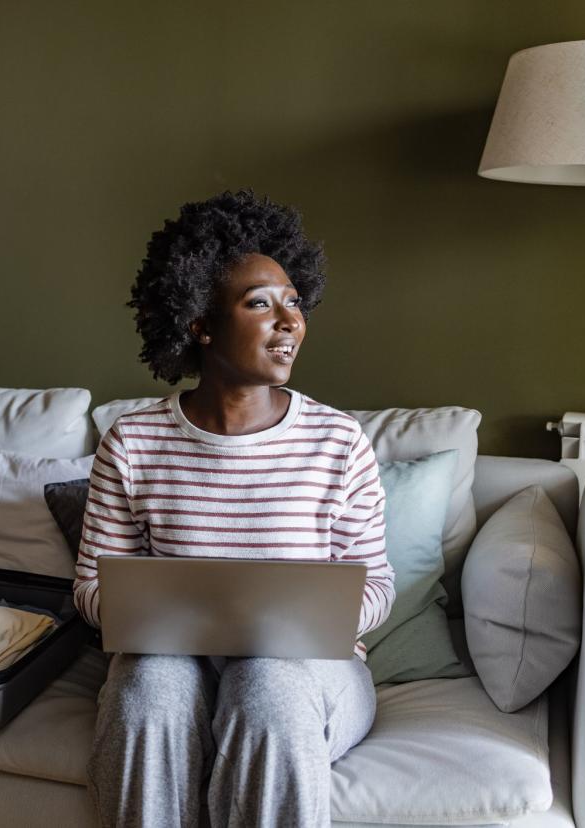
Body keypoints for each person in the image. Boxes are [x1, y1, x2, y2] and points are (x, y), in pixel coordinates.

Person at [74, 190, 395, 828]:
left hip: (311, 676)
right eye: (261, 304)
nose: (291, 322)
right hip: (173, 664)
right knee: (146, 692)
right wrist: (150, 613)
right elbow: (89, 587)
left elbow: (378, 583)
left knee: (267, 685)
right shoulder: (133, 443)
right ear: (200, 323)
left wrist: (311, 618)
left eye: (294, 303)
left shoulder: (338, 441)